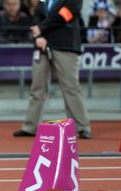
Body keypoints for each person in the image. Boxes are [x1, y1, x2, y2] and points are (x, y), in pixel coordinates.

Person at [13, 0, 91, 139]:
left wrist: (41, 28)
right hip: (43, 44)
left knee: (71, 87)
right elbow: (37, 14)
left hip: (66, 45)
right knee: (37, 87)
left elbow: (67, 14)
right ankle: (31, 126)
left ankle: (82, 127)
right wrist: (39, 36)